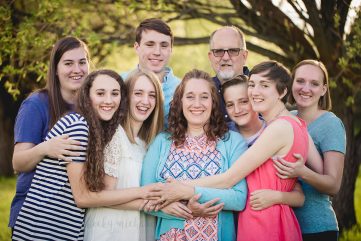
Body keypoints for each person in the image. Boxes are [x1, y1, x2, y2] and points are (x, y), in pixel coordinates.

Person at [148, 61, 324, 241]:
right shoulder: (296, 124)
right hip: (268, 217)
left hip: (264, 220)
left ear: (282, 91)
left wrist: (182, 188)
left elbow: (230, 180)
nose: (256, 92)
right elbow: (315, 177)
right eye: (253, 85)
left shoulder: (277, 129)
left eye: (264, 85)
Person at [11, 70, 159, 240]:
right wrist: (143, 193)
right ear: (87, 96)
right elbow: (82, 197)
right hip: (42, 230)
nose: (109, 100)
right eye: (100, 93)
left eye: (115, 94)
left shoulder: (94, 131)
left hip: (65, 230)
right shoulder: (78, 126)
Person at [141, 69, 248, 241]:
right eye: (190, 96)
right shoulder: (161, 142)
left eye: (204, 97)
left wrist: (188, 192)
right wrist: (172, 209)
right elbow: (145, 196)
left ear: (213, 102)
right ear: (180, 101)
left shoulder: (232, 142)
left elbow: (238, 198)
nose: (197, 103)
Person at [9, 36, 90, 229]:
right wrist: (45, 148)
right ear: (55, 69)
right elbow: (18, 163)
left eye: (82, 62)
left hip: (71, 217)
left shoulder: (91, 107)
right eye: (68, 63)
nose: (77, 70)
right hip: (35, 216)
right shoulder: (36, 105)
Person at [84, 69, 164, 241]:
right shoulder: (115, 135)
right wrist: (153, 203)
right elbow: (102, 197)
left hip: (137, 228)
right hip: (110, 229)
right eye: (138, 93)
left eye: (152, 95)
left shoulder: (145, 143)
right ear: (126, 97)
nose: (145, 101)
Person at [272, 59, 346, 241]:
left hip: (316, 229)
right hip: (283, 226)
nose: (306, 88)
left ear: (323, 89)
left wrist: (301, 171)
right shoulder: (285, 118)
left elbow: (333, 185)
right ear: (291, 83)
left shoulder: (330, 124)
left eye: (314, 84)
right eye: (300, 81)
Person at [222, 75, 305, 211]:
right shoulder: (222, 136)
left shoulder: (274, 133)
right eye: (230, 104)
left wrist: (277, 197)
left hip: (260, 218)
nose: (237, 110)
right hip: (228, 217)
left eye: (243, 101)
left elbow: (300, 197)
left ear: (255, 99)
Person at [122, 18, 180, 127]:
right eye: (150, 44)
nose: (157, 52)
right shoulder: (120, 82)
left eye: (164, 45)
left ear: (171, 49)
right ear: (137, 47)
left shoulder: (183, 89)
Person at [208, 26, 249, 128]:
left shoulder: (261, 90)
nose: (226, 57)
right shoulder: (202, 93)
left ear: (244, 56)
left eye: (233, 51)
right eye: (218, 51)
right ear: (210, 57)